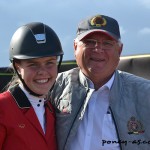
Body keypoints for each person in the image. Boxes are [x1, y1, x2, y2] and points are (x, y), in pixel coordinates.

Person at [51, 14, 150, 150]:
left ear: (119, 50)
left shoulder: (145, 93)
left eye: (107, 43)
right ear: (75, 47)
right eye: (90, 42)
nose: (98, 49)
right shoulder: (54, 86)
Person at [0, 22, 63, 150]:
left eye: (49, 63)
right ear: (18, 66)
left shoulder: (53, 110)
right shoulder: (3, 107)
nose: (42, 72)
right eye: (33, 64)